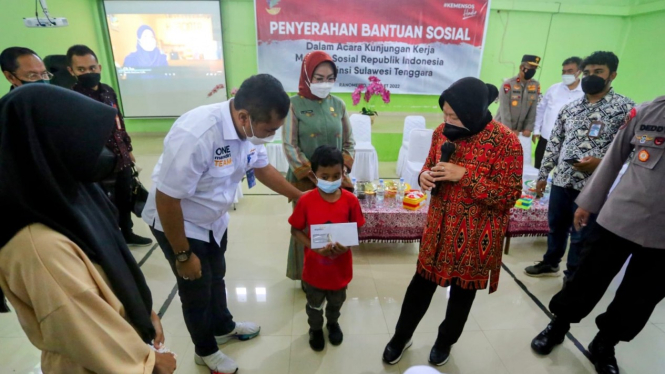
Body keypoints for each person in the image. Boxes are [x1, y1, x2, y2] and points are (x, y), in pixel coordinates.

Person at [0, 85, 176, 374]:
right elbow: (84, 331)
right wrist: (149, 365)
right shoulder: (37, 245)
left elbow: (113, 268)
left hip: (127, 341)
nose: (102, 152)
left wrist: (143, 312)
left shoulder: (72, 194)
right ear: (48, 142)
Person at [141, 74, 304, 374]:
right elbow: (167, 199)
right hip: (179, 222)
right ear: (244, 117)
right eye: (269, 129)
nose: (270, 135)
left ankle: (223, 326)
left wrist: (300, 197)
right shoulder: (197, 134)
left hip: (213, 218)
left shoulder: (249, 129)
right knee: (196, 289)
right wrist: (182, 254)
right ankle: (205, 351)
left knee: (217, 275)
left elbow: (262, 168)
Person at [382, 78, 523, 367]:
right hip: (438, 229)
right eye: (445, 114)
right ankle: (401, 337)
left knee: (461, 295)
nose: (447, 121)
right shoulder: (441, 134)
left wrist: (465, 176)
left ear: (473, 111)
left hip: (474, 236)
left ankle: (445, 342)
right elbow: (427, 166)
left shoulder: (506, 142)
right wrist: (423, 177)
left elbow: (509, 196)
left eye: (454, 116)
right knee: (419, 288)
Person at [530, 95, 665, 374]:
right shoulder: (647, 112)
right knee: (586, 278)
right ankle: (559, 324)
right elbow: (613, 159)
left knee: (640, 297)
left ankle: (605, 343)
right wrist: (588, 203)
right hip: (620, 218)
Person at [525, 51, 634, 279]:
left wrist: (601, 163)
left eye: (598, 72)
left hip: (594, 186)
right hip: (562, 180)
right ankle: (550, 262)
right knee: (556, 227)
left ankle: (572, 276)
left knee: (581, 234)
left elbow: (631, 151)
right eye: (587, 72)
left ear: (612, 75)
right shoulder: (571, 108)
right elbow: (554, 143)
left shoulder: (625, 109)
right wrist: (543, 175)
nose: (590, 76)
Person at [67, 44, 153, 247]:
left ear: (99, 67)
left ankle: (127, 233)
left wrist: (128, 149)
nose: (88, 73)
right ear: (71, 71)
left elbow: (119, 122)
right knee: (105, 204)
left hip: (120, 157)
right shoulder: (71, 98)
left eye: (92, 68)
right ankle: (111, 241)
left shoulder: (108, 91)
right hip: (96, 162)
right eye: (81, 69)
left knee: (124, 199)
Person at [283, 51, 355, 284]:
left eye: (329, 78)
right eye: (319, 77)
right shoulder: (293, 105)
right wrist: (315, 177)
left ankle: (333, 274)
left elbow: (349, 142)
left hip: (335, 181)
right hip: (305, 182)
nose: (325, 83)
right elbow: (290, 145)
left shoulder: (338, 105)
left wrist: (339, 174)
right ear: (306, 75)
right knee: (305, 228)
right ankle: (305, 275)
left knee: (335, 225)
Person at [288, 145, 365, 352]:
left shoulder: (350, 201)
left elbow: (356, 230)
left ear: (343, 173)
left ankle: (332, 323)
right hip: (314, 271)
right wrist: (313, 246)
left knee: (335, 303)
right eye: (325, 176)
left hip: (340, 271)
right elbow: (295, 230)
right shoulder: (306, 200)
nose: (331, 181)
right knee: (314, 306)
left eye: (336, 175)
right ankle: (315, 329)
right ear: (314, 175)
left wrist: (346, 245)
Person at [533, 57, 584, 169]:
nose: (566, 74)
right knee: (538, 170)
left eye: (570, 71)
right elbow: (541, 109)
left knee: (562, 173)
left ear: (579, 72)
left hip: (570, 143)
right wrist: (536, 129)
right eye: (563, 71)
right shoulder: (553, 89)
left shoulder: (585, 93)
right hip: (546, 139)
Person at [495, 54, 541, 166]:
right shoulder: (508, 84)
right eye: (531, 67)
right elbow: (504, 109)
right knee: (500, 159)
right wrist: (509, 129)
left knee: (518, 161)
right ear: (522, 67)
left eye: (535, 68)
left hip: (521, 130)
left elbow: (533, 107)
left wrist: (528, 128)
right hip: (503, 127)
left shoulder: (535, 85)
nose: (533, 70)